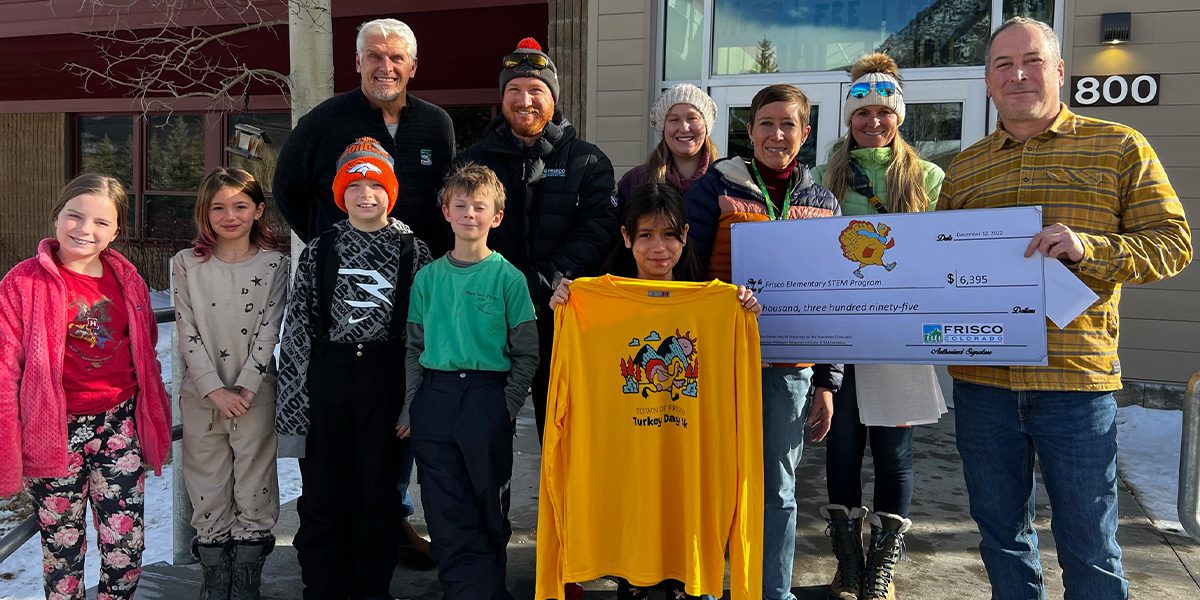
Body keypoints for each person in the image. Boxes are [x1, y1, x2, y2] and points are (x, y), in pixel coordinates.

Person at [939, 17, 1192, 599]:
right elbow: (942, 268)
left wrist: (1089, 248)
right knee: (1001, 536)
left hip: (1074, 383)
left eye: (1030, 61)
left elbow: (1174, 244)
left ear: (1058, 71)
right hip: (983, 383)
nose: (1017, 74)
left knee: (1090, 545)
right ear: (987, 83)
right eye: (1002, 65)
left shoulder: (1120, 146)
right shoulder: (966, 167)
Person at [272, 18, 449, 569]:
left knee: (397, 417)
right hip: (343, 305)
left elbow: (447, 195)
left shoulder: (435, 125)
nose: (385, 66)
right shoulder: (326, 121)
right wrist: (334, 245)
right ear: (357, 62)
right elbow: (287, 185)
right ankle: (342, 538)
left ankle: (389, 520)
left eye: (397, 58)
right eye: (374, 56)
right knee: (339, 443)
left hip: (413, 295)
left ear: (412, 67)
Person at [548, 182, 761, 600]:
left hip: (688, 468)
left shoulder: (717, 306)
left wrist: (743, 311)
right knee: (636, 549)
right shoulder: (593, 302)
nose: (657, 247)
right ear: (626, 238)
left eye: (668, 234)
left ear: (685, 236)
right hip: (629, 468)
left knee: (684, 543)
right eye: (645, 235)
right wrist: (567, 305)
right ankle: (634, 580)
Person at [684, 83, 843, 600]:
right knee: (712, 484)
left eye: (789, 125)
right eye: (767, 124)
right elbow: (688, 275)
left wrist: (826, 382)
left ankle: (772, 591)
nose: (777, 135)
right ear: (749, 131)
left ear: (806, 133)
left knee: (778, 488)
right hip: (721, 364)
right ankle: (707, 588)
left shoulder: (823, 200)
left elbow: (834, 296)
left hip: (789, 369)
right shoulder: (713, 189)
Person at [0, 174, 172, 600]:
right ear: (56, 216)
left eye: (100, 222)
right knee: (62, 550)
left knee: (125, 545)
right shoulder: (24, 283)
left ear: (116, 231)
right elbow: (5, 369)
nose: (84, 229)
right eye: (74, 216)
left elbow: (145, 343)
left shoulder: (125, 277)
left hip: (118, 426)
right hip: (53, 430)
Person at [810, 53, 944, 600]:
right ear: (849, 118)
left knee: (892, 453)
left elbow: (938, 253)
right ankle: (848, 561)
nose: (873, 122)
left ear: (899, 116)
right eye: (862, 112)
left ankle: (881, 566)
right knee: (841, 449)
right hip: (841, 333)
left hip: (900, 333)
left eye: (883, 112)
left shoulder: (927, 176)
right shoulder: (824, 175)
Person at [276, 137, 433, 599]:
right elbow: (299, 330)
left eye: (376, 184)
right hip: (328, 374)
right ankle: (323, 586)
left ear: (391, 191)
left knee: (377, 494)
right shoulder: (321, 249)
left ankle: (372, 586)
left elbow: (420, 338)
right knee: (323, 494)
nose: (366, 193)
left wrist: (411, 402)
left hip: (386, 377)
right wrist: (292, 408)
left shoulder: (413, 251)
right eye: (355, 184)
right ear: (340, 193)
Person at [456, 36, 617, 443]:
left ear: (553, 98)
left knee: (563, 435)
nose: (524, 99)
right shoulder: (470, 161)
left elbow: (597, 233)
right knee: (486, 439)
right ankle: (491, 511)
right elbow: (458, 230)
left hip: (560, 316)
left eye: (535, 90)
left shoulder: (589, 160)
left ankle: (561, 510)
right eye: (514, 89)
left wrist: (537, 284)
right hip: (488, 317)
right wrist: (502, 289)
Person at [397, 163, 538, 599]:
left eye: (480, 207)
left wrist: (507, 405)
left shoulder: (509, 279)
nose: (469, 214)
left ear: (496, 216)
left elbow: (527, 351)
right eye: (461, 206)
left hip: (486, 395)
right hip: (435, 397)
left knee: (487, 502)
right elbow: (413, 346)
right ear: (446, 211)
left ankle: (482, 586)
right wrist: (411, 405)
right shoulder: (427, 278)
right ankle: (468, 590)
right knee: (443, 505)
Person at [173, 168, 289, 600]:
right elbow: (186, 329)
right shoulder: (187, 264)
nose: (230, 215)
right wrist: (213, 388)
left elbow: (269, 328)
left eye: (240, 206)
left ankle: (245, 583)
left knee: (253, 481)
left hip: (253, 394)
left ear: (258, 210)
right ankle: (214, 580)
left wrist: (245, 387)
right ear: (205, 212)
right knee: (207, 483)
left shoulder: (276, 264)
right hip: (202, 395)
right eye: (218, 207)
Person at [616, 83, 718, 201]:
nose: (684, 128)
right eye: (674, 119)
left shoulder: (726, 181)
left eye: (692, 118)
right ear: (663, 128)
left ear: (706, 127)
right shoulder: (636, 181)